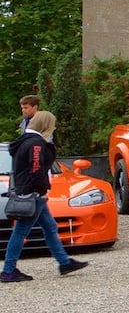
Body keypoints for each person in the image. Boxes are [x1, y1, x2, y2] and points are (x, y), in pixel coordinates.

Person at [4, 111, 89, 282]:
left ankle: (64, 262)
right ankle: (8, 270)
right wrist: (41, 190)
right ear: (46, 125)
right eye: (53, 125)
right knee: (21, 232)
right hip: (34, 194)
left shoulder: (23, 141)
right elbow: (36, 168)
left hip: (28, 191)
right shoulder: (36, 144)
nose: (54, 128)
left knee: (49, 227)